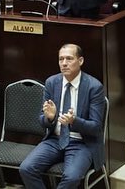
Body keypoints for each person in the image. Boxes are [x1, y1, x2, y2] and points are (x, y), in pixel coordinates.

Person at [19, 43, 106, 189]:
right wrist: (50, 118)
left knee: (71, 178)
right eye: (61, 59)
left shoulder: (94, 87)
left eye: (69, 59)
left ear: (80, 61)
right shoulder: (52, 82)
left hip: (82, 143)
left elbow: (96, 127)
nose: (64, 63)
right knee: (26, 169)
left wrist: (74, 121)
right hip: (55, 140)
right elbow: (42, 120)